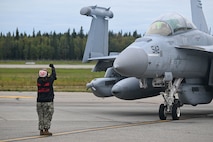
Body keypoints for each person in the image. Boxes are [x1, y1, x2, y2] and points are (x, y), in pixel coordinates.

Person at [36, 64, 57, 136]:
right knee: (48, 116)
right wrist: (53, 68)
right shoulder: (49, 81)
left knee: (41, 116)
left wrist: (44, 71)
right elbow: (53, 75)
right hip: (48, 101)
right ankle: (46, 130)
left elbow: (46, 76)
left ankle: (41, 130)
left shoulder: (38, 80)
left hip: (39, 102)